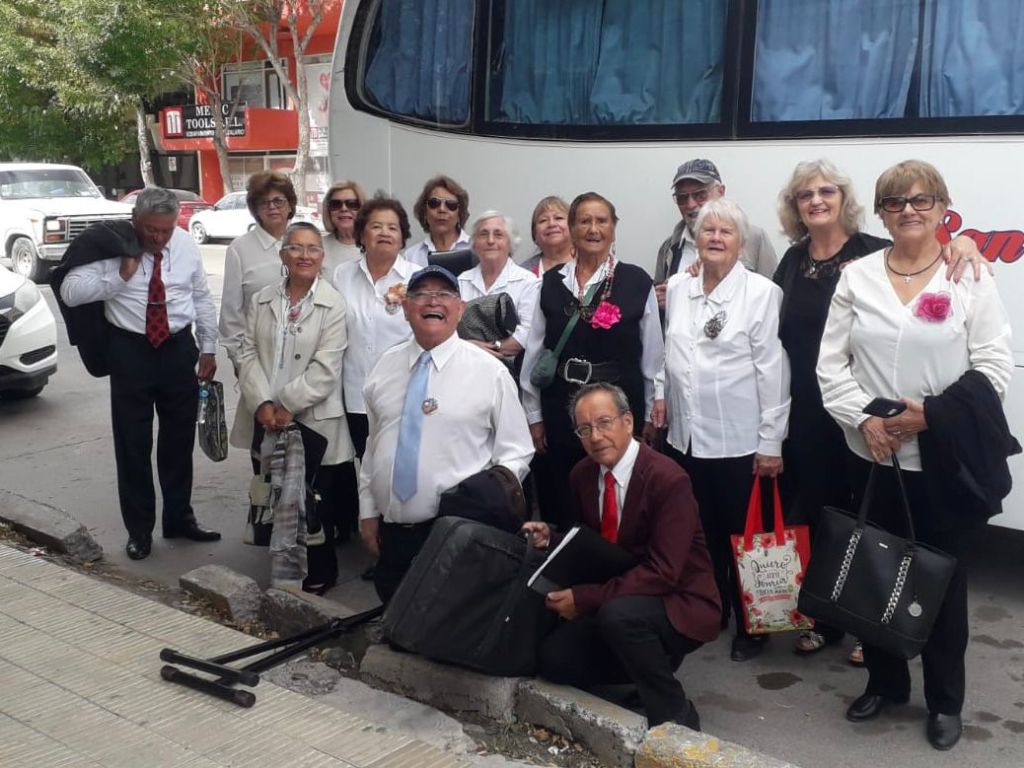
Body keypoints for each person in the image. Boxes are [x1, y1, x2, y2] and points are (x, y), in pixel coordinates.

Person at [817, 160, 1013, 751]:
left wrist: (928, 416)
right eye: (896, 201)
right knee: (875, 575)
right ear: (880, 213)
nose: (909, 210)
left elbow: (995, 367)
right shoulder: (856, 277)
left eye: (922, 200)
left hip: (941, 462)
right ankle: (886, 683)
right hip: (870, 457)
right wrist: (867, 420)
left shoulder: (967, 276)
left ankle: (946, 701)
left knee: (941, 589)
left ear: (942, 207)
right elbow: (830, 365)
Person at [773, 158, 987, 662]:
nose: (816, 201)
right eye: (806, 195)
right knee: (832, 520)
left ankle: (886, 629)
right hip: (812, 410)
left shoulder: (873, 253)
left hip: (875, 419)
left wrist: (964, 241)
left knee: (884, 533)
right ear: (795, 207)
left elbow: (928, 253)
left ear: (847, 201)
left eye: (826, 191)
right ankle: (835, 618)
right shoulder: (792, 259)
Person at [524, 383, 720, 729]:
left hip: (678, 599)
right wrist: (551, 539)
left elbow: (664, 572)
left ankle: (674, 714)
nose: (596, 436)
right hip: (623, 589)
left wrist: (585, 599)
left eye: (604, 423)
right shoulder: (582, 475)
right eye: (585, 429)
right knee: (556, 661)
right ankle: (641, 671)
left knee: (620, 616)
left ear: (628, 422)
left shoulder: (667, 478)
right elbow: (589, 544)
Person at [656, 198, 790, 663]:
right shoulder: (678, 287)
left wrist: (771, 441)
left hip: (739, 439)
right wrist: (659, 397)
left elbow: (773, 372)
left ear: (741, 243)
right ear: (695, 239)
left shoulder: (760, 294)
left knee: (743, 536)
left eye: (725, 232)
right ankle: (713, 610)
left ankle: (753, 625)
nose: (714, 237)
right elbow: (668, 353)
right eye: (707, 230)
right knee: (701, 533)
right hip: (686, 436)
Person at [60, 187, 220, 560]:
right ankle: (139, 530)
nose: (159, 238)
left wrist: (208, 347)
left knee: (179, 441)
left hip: (178, 348)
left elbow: (200, 296)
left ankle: (179, 517)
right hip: (130, 351)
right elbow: (69, 291)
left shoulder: (183, 244)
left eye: (166, 230)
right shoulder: (112, 244)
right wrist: (118, 277)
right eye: (151, 230)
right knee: (133, 444)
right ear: (136, 220)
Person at [358, 265, 534, 602]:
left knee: (447, 628)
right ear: (407, 308)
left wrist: (483, 505)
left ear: (460, 308)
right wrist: (367, 511)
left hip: (456, 535)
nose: (431, 302)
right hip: (392, 534)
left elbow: (516, 451)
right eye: (421, 294)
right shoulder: (384, 367)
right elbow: (373, 445)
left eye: (443, 294)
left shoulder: (489, 373)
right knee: (395, 618)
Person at [521, 192, 664, 531]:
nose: (593, 228)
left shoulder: (636, 281)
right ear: (571, 229)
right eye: (584, 221)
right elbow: (534, 353)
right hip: (561, 406)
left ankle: (618, 571)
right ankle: (567, 569)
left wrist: (649, 410)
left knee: (618, 490)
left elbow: (653, 357)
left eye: (602, 221)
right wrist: (534, 416)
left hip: (619, 404)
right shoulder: (550, 285)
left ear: (614, 229)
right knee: (565, 490)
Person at [238, 222, 354, 593]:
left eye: (313, 249)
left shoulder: (334, 304)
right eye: (296, 248)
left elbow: (327, 367)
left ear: (323, 257)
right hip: (265, 416)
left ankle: (320, 571)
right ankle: (283, 567)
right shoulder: (262, 299)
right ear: (283, 254)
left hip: (313, 418)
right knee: (274, 491)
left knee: (313, 499)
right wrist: (263, 403)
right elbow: (246, 352)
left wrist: (287, 403)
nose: (305, 256)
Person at [330, 194, 416, 564]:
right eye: (376, 226)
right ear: (361, 233)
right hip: (352, 392)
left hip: (400, 395)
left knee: (393, 469)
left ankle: (394, 548)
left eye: (392, 227)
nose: (384, 233)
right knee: (365, 467)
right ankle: (372, 538)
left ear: (402, 237)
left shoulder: (414, 279)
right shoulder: (341, 275)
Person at [219, 171, 300, 455]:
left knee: (303, 451)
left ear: (290, 204)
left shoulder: (305, 240)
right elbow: (230, 317)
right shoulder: (240, 249)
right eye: (263, 202)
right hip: (260, 363)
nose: (273, 207)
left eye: (279, 200)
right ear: (255, 210)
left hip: (303, 363)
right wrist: (243, 366)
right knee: (266, 452)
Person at [654, 158, 777, 310]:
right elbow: (658, 308)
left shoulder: (754, 239)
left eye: (700, 195)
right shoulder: (669, 249)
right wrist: (662, 300)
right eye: (682, 198)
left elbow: (771, 302)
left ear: (721, 192)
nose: (691, 204)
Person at [458, 211, 540, 362]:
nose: (490, 241)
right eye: (483, 234)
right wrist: (469, 347)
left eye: (498, 235)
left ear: (510, 244)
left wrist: (487, 350)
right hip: (465, 365)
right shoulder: (461, 281)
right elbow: (449, 329)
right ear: (474, 244)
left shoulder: (528, 281)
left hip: (511, 369)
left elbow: (528, 332)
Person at [404, 175, 471, 267]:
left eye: (451, 204)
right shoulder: (411, 256)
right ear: (424, 212)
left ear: (460, 214)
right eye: (434, 203)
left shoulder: (476, 250)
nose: (442, 209)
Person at [520, 196, 573, 276]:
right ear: (535, 234)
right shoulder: (522, 273)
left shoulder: (593, 264)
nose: (551, 224)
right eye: (543, 220)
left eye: (558, 218)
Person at [321, 180, 366, 274]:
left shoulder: (375, 246)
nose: (344, 209)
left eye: (352, 204)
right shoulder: (317, 246)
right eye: (335, 204)